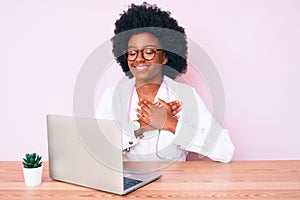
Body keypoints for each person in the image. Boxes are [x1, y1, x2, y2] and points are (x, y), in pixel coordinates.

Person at [96, 2, 234, 162]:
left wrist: (170, 123)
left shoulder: (187, 96)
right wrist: (140, 128)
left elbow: (225, 151)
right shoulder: (113, 96)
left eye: (148, 51)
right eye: (132, 52)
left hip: (174, 185)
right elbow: (97, 150)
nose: (139, 59)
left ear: (165, 56)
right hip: (129, 183)